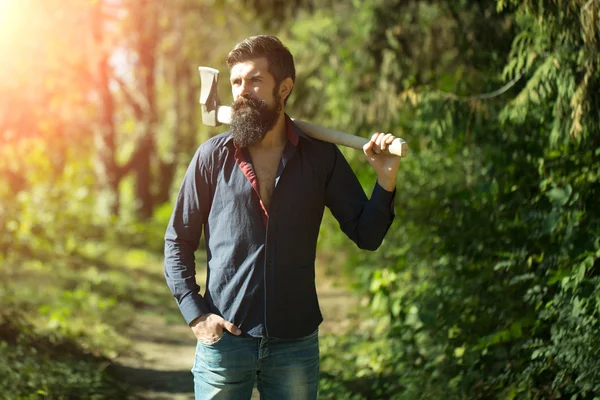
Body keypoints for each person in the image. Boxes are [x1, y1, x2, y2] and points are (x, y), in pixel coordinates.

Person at [164, 35, 401, 400]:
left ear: (285, 88)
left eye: (255, 80)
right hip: (225, 341)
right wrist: (197, 315)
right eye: (237, 82)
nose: (243, 91)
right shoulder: (211, 157)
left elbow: (366, 235)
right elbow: (177, 241)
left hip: (295, 345)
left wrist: (385, 179)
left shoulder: (321, 158)